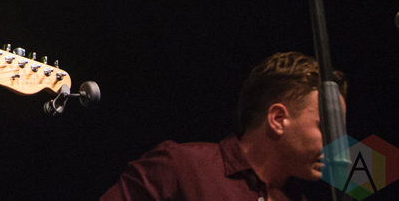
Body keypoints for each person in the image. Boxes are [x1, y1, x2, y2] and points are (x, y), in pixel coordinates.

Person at [100, 52, 347, 201]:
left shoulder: (298, 196)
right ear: (278, 119)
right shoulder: (182, 167)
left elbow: (371, 178)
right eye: (326, 127)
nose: (338, 144)